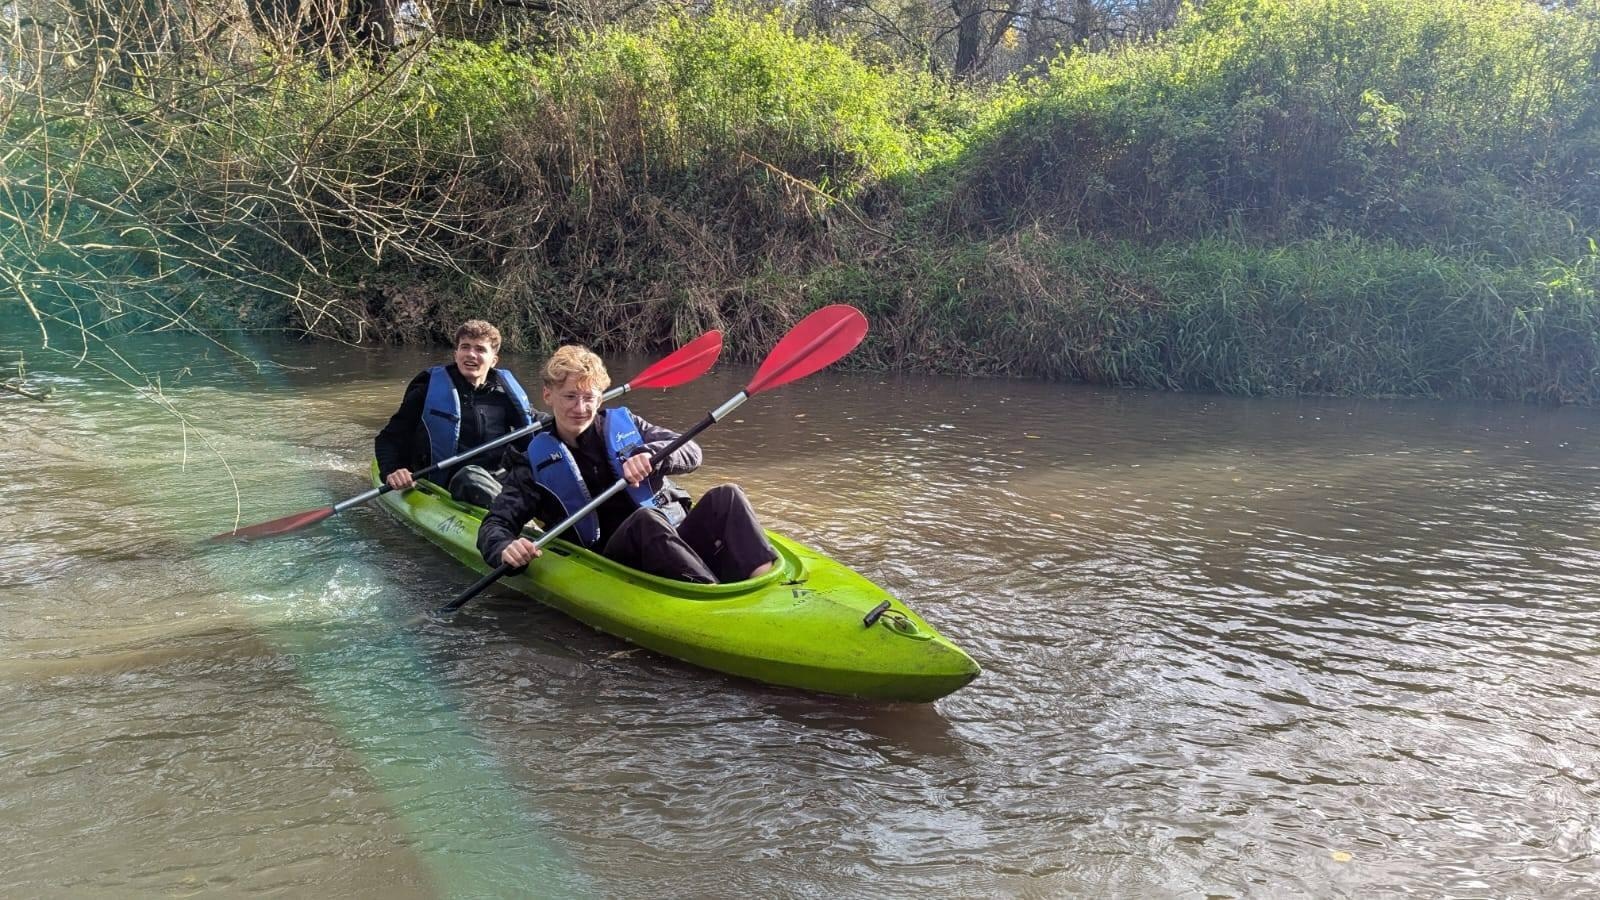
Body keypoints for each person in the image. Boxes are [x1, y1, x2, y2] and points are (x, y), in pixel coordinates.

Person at [477, 345, 778, 584]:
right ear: (548, 395)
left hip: (673, 535)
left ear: (600, 398)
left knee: (728, 494)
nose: (580, 408)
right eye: (569, 396)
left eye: (588, 398)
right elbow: (496, 523)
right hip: (615, 558)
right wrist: (505, 547)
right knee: (646, 520)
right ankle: (710, 595)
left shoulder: (627, 425)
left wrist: (652, 456)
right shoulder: (531, 460)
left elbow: (692, 451)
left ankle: (763, 583)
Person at [374, 319, 538, 507]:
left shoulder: (505, 394)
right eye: (465, 347)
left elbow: (535, 425)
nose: (471, 354)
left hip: (496, 480)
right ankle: (510, 515)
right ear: (456, 354)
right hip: (448, 481)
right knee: (470, 476)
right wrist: (393, 470)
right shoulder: (427, 389)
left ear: (494, 360)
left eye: (480, 349)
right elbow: (389, 438)